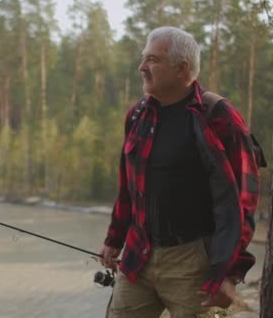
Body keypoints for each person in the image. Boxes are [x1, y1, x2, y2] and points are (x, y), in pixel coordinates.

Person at [99, 26, 262, 318]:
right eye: (143, 59)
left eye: (152, 60)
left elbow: (242, 201)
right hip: (139, 254)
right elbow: (129, 188)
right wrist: (114, 239)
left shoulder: (218, 117)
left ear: (181, 68)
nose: (141, 67)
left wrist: (229, 271)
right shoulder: (137, 115)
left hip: (193, 261)